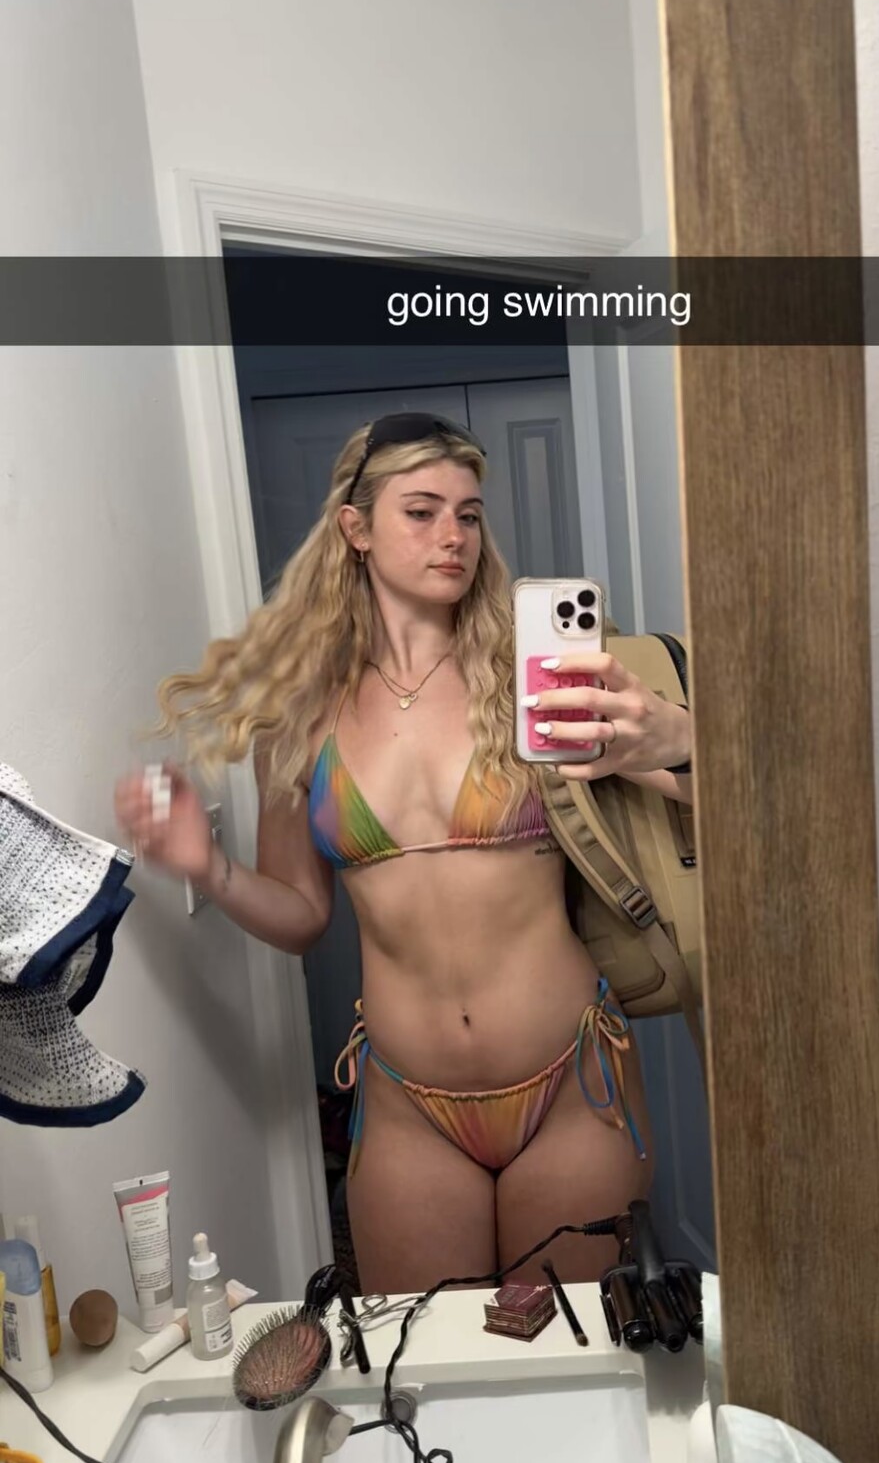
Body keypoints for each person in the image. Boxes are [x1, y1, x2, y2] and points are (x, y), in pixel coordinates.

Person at [115, 414, 694, 1292]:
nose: (453, 535)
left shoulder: (537, 677)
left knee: (570, 1356)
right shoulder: (301, 715)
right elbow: (303, 915)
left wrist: (674, 740)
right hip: (407, 1106)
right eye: (422, 512)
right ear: (356, 527)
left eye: (469, 514)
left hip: (573, 1085)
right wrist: (210, 868)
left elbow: (722, 808)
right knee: (423, 1361)